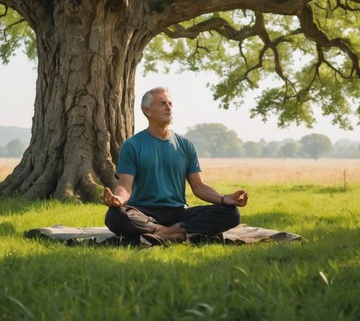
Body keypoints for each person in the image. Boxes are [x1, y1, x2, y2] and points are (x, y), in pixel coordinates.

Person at [101, 86, 249, 245]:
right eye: (163, 103)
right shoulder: (132, 145)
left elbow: (199, 187)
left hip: (179, 214)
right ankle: (173, 233)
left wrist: (225, 199)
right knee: (114, 215)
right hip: (144, 213)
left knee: (231, 214)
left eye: (170, 103)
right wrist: (118, 199)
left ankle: (162, 233)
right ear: (147, 111)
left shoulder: (186, 145)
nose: (169, 107)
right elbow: (125, 186)